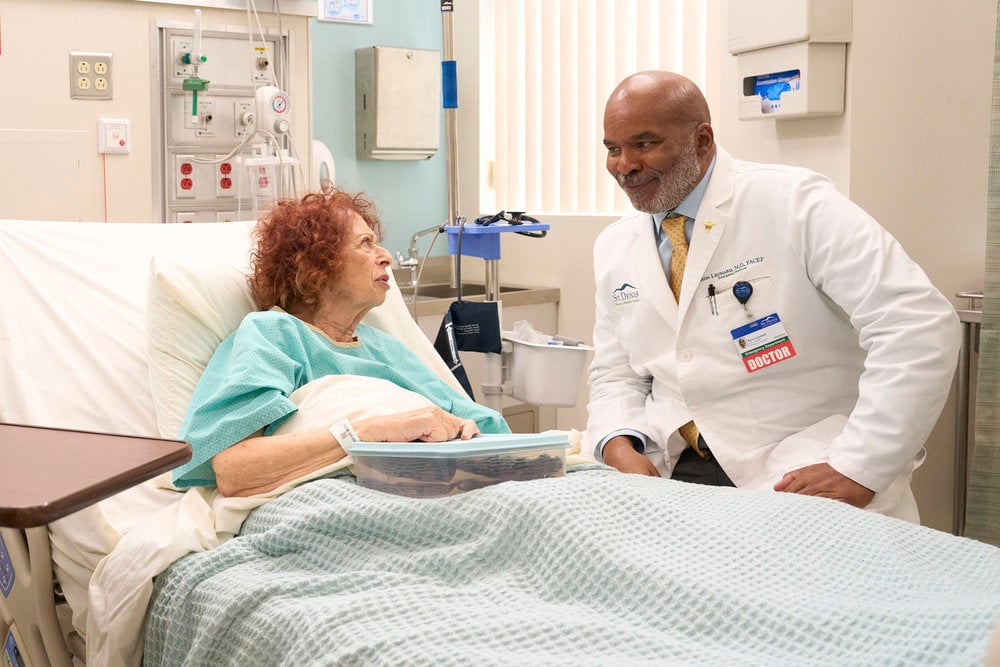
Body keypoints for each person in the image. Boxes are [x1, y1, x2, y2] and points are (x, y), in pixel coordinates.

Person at [587, 70, 961, 522]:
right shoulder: (614, 246)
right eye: (613, 148)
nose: (624, 164)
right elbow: (616, 375)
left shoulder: (793, 203)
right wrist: (615, 443)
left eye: (644, 144)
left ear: (702, 140)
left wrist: (861, 466)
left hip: (797, 469)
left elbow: (916, 323)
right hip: (673, 475)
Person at [171, 186, 511, 497]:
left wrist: (466, 434)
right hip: (338, 500)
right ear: (313, 266)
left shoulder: (387, 349)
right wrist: (370, 431)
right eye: (365, 243)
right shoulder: (273, 335)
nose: (386, 257)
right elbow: (235, 471)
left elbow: (491, 431)